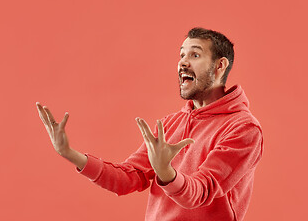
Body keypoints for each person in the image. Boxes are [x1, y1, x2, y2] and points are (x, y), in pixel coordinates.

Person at [36, 27, 263, 221]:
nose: (183, 62)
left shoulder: (243, 128)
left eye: (194, 55)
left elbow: (200, 192)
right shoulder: (171, 124)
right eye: (181, 54)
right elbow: (127, 179)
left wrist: (165, 172)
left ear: (219, 65)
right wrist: (69, 153)